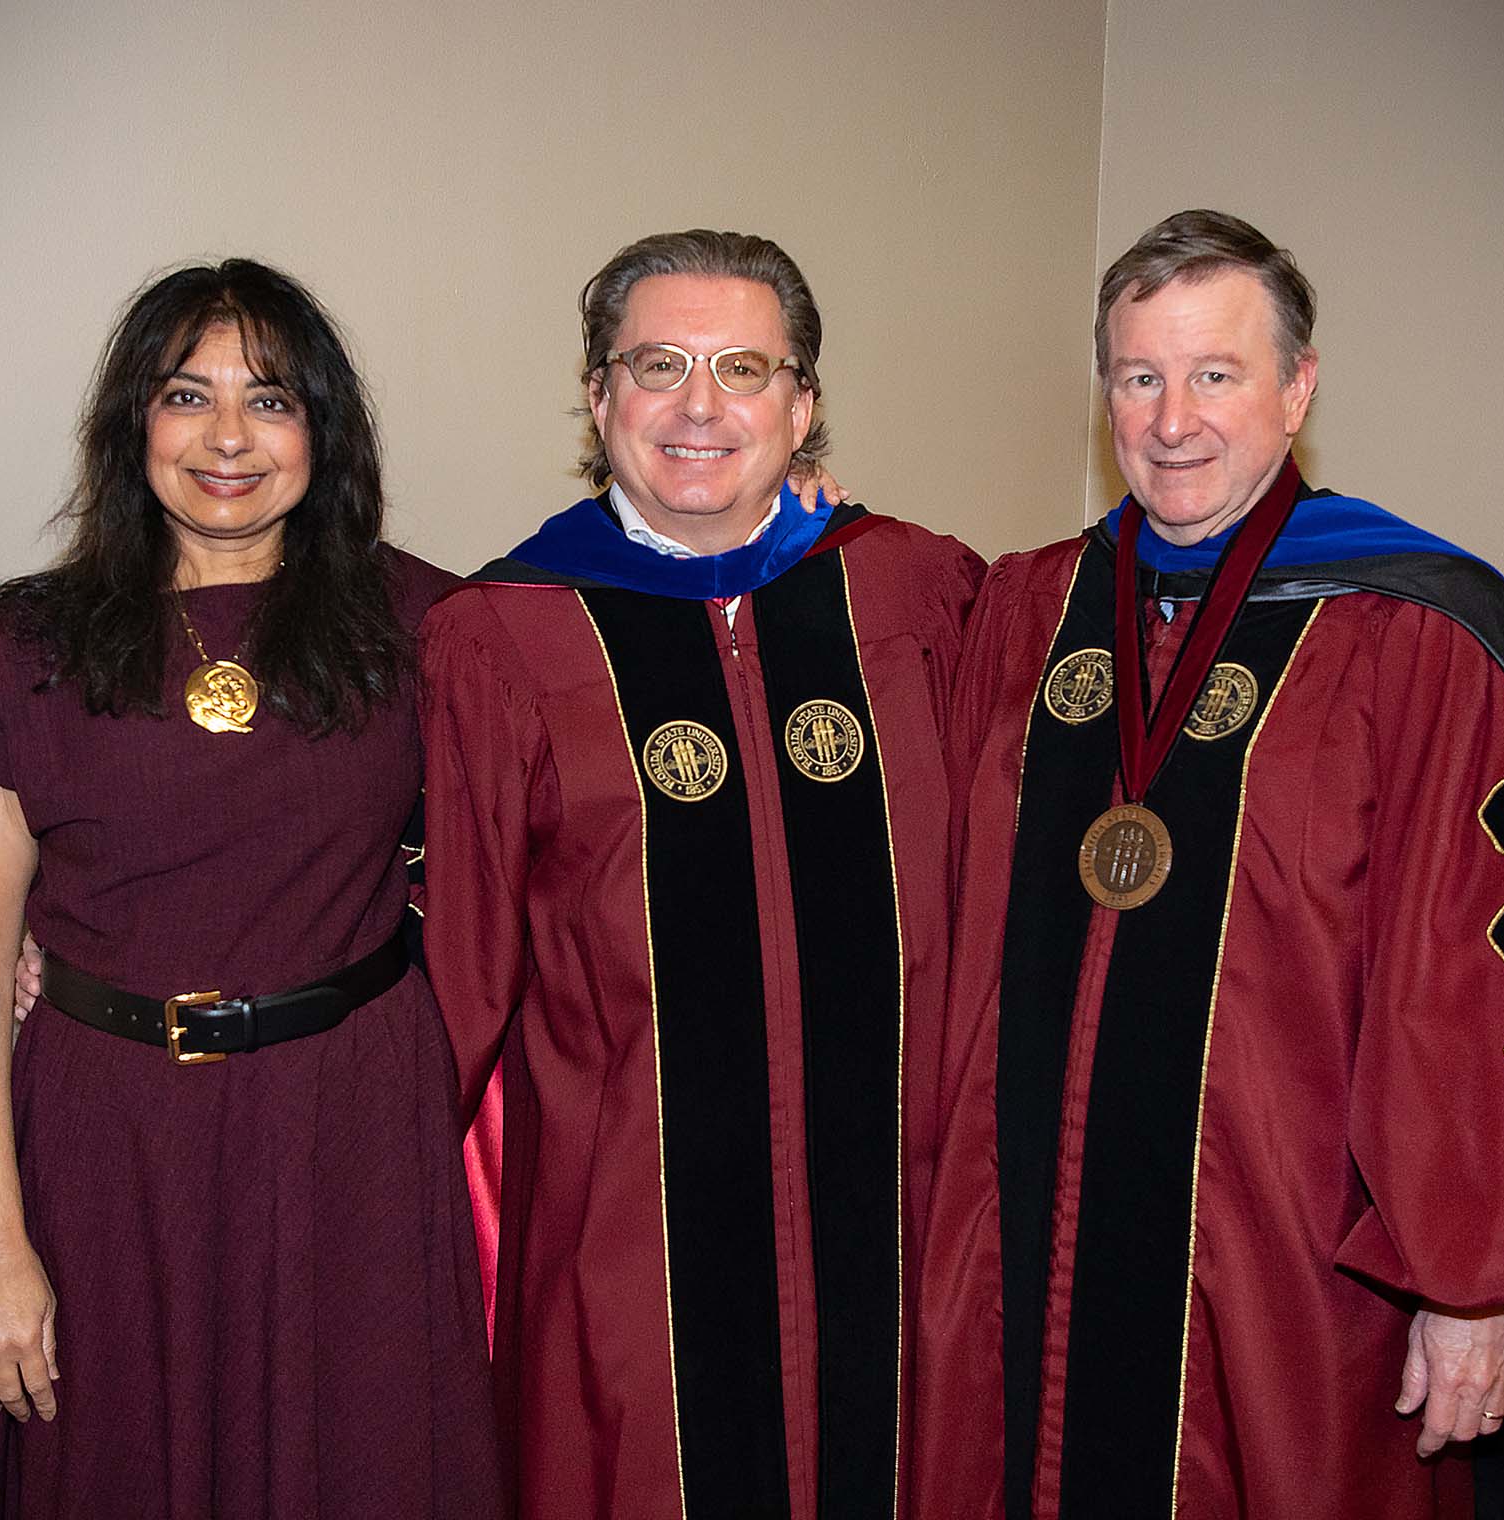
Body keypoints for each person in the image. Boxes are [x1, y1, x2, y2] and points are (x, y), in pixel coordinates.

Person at [910, 210, 1504, 1519]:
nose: (1173, 420)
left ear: (1299, 386)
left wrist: (1477, 1286)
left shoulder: (1419, 632)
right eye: (1139, 377)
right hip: (1028, 1258)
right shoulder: (1030, 610)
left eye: (1215, 373)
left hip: (1292, 1275)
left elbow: (1487, 973)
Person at [0, 259, 500, 1518]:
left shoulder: (425, 625)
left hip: (351, 1134)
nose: (229, 435)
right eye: (187, 394)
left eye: (270, 399)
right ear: (135, 424)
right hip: (112, 1142)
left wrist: (780, 537)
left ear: (321, 432)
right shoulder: (28, 649)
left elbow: (582, 752)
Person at [417, 229, 984, 1520]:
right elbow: (451, 971)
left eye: (744, 368)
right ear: (598, 395)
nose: (699, 406)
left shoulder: (919, 594)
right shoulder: (503, 635)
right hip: (628, 1245)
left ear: (804, 403)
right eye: (658, 364)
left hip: (902, 1229)